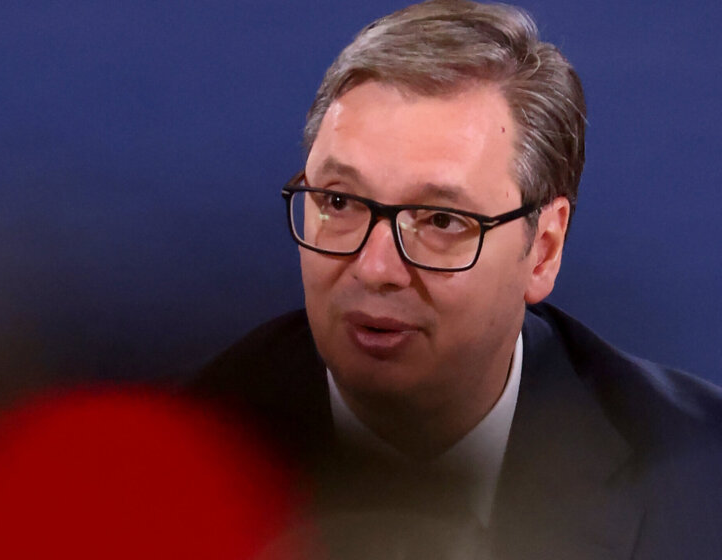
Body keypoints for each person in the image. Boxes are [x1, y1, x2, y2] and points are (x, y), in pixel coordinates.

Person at [188, 0, 722, 558]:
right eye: (340, 202)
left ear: (543, 250)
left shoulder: (700, 477)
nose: (375, 268)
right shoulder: (174, 459)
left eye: (442, 221)